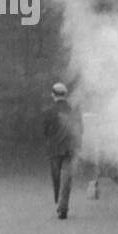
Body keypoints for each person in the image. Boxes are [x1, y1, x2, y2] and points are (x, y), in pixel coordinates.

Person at [41, 82, 81, 219]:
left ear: (53, 95)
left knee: (56, 176)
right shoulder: (73, 111)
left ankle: (58, 201)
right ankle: (63, 207)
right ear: (66, 95)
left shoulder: (49, 112)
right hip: (70, 147)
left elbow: (45, 131)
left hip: (54, 149)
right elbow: (80, 129)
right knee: (67, 178)